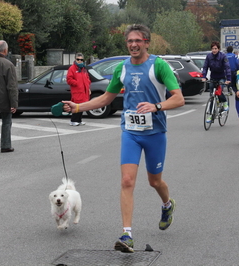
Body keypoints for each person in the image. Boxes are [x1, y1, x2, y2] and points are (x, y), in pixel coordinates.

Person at [62, 24, 184, 253]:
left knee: (155, 181)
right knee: (127, 181)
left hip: (155, 132)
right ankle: (127, 235)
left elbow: (178, 99)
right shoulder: (122, 68)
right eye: (130, 41)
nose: (134, 45)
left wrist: (156, 106)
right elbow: (107, 98)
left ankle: (167, 205)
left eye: (138, 40)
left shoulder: (159, 66)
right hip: (130, 133)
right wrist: (78, 106)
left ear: (147, 42)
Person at [202, 41, 231, 123]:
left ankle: (225, 102)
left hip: (221, 77)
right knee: (212, 96)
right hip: (213, 77)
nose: (214, 50)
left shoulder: (223, 56)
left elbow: (227, 67)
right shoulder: (209, 56)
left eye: (215, 48)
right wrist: (204, 77)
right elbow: (205, 67)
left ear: (218, 49)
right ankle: (210, 116)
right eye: (212, 49)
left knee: (219, 91)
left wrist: (228, 79)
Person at [66, 53, 91, 126]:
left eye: (81, 59)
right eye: (78, 59)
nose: (80, 61)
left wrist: (88, 87)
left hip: (84, 91)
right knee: (76, 106)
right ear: (75, 59)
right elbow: (69, 79)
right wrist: (77, 83)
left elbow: (87, 78)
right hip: (77, 91)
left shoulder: (83, 68)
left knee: (82, 106)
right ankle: (73, 120)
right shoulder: (72, 68)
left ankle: (79, 120)